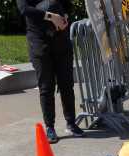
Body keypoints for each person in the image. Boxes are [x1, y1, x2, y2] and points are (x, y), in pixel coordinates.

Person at [17, 0, 84, 144]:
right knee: (46, 87)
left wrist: (64, 17)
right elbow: (25, 9)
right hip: (39, 41)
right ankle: (50, 127)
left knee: (66, 83)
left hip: (61, 39)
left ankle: (71, 123)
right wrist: (51, 17)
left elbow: (67, 4)